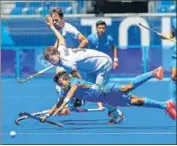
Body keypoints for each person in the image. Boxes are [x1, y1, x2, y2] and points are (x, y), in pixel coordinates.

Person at [44, 15, 123, 116]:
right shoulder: (60, 49)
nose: (52, 61)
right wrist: (52, 26)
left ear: (56, 54)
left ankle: (116, 111)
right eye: (50, 60)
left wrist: (69, 98)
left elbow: (79, 81)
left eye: (52, 58)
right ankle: (77, 102)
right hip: (92, 66)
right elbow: (60, 37)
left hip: (103, 63)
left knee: (97, 93)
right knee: (91, 91)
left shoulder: (68, 63)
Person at [40, 66, 176, 124]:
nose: (60, 85)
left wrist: (63, 104)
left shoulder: (74, 81)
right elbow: (57, 104)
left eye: (60, 82)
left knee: (126, 87)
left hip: (106, 90)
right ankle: (165, 105)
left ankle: (154, 72)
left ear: (65, 79)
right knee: (137, 102)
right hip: (107, 99)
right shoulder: (65, 91)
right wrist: (47, 115)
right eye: (58, 84)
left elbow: (72, 92)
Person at [159, 18, 176, 107]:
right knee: (173, 76)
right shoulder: (174, 21)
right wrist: (165, 36)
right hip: (176, 52)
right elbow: (172, 35)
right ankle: (172, 101)